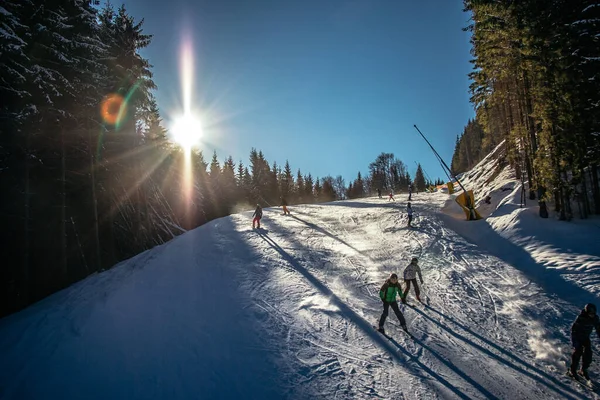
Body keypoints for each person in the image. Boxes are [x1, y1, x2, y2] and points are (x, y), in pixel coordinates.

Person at [568, 303, 600, 380]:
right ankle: (572, 370)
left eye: (593, 313)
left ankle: (583, 369)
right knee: (578, 352)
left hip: (585, 337)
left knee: (588, 353)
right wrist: (575, 342)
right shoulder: (581, 318)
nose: (592, 315)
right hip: (577, 337)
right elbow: (573, 330)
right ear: (586, 312)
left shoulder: (595, 318)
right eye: (590, 313)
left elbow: (598, 329)